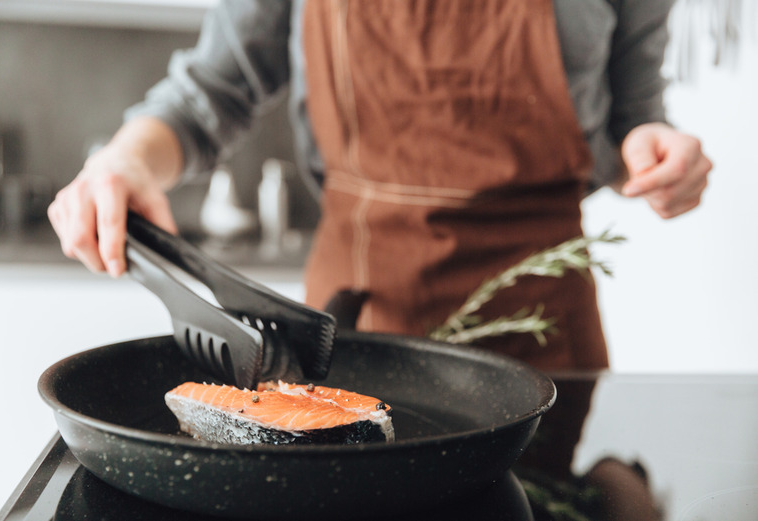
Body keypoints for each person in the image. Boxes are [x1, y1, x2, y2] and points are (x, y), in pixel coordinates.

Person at [48, 0, 712, 371]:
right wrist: (126, 162)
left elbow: (634, 114)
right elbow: (210, 93)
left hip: (546, 337)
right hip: (354, 333)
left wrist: (653, 152)